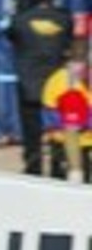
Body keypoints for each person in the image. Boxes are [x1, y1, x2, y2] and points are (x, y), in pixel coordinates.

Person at [9, 0, 73, 176]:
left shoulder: (20, 20)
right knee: (57, 125)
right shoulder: (64, 19)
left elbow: (12, 38)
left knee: (31, 127)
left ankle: (33, 163)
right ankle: (58, 163)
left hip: (29, 80)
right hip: (56, 83)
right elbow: (67, 41)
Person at [39, 39, 92, 182]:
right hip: (62, 143)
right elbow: (49, 114)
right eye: (78, 61)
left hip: (87, 144)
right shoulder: (59, 80)